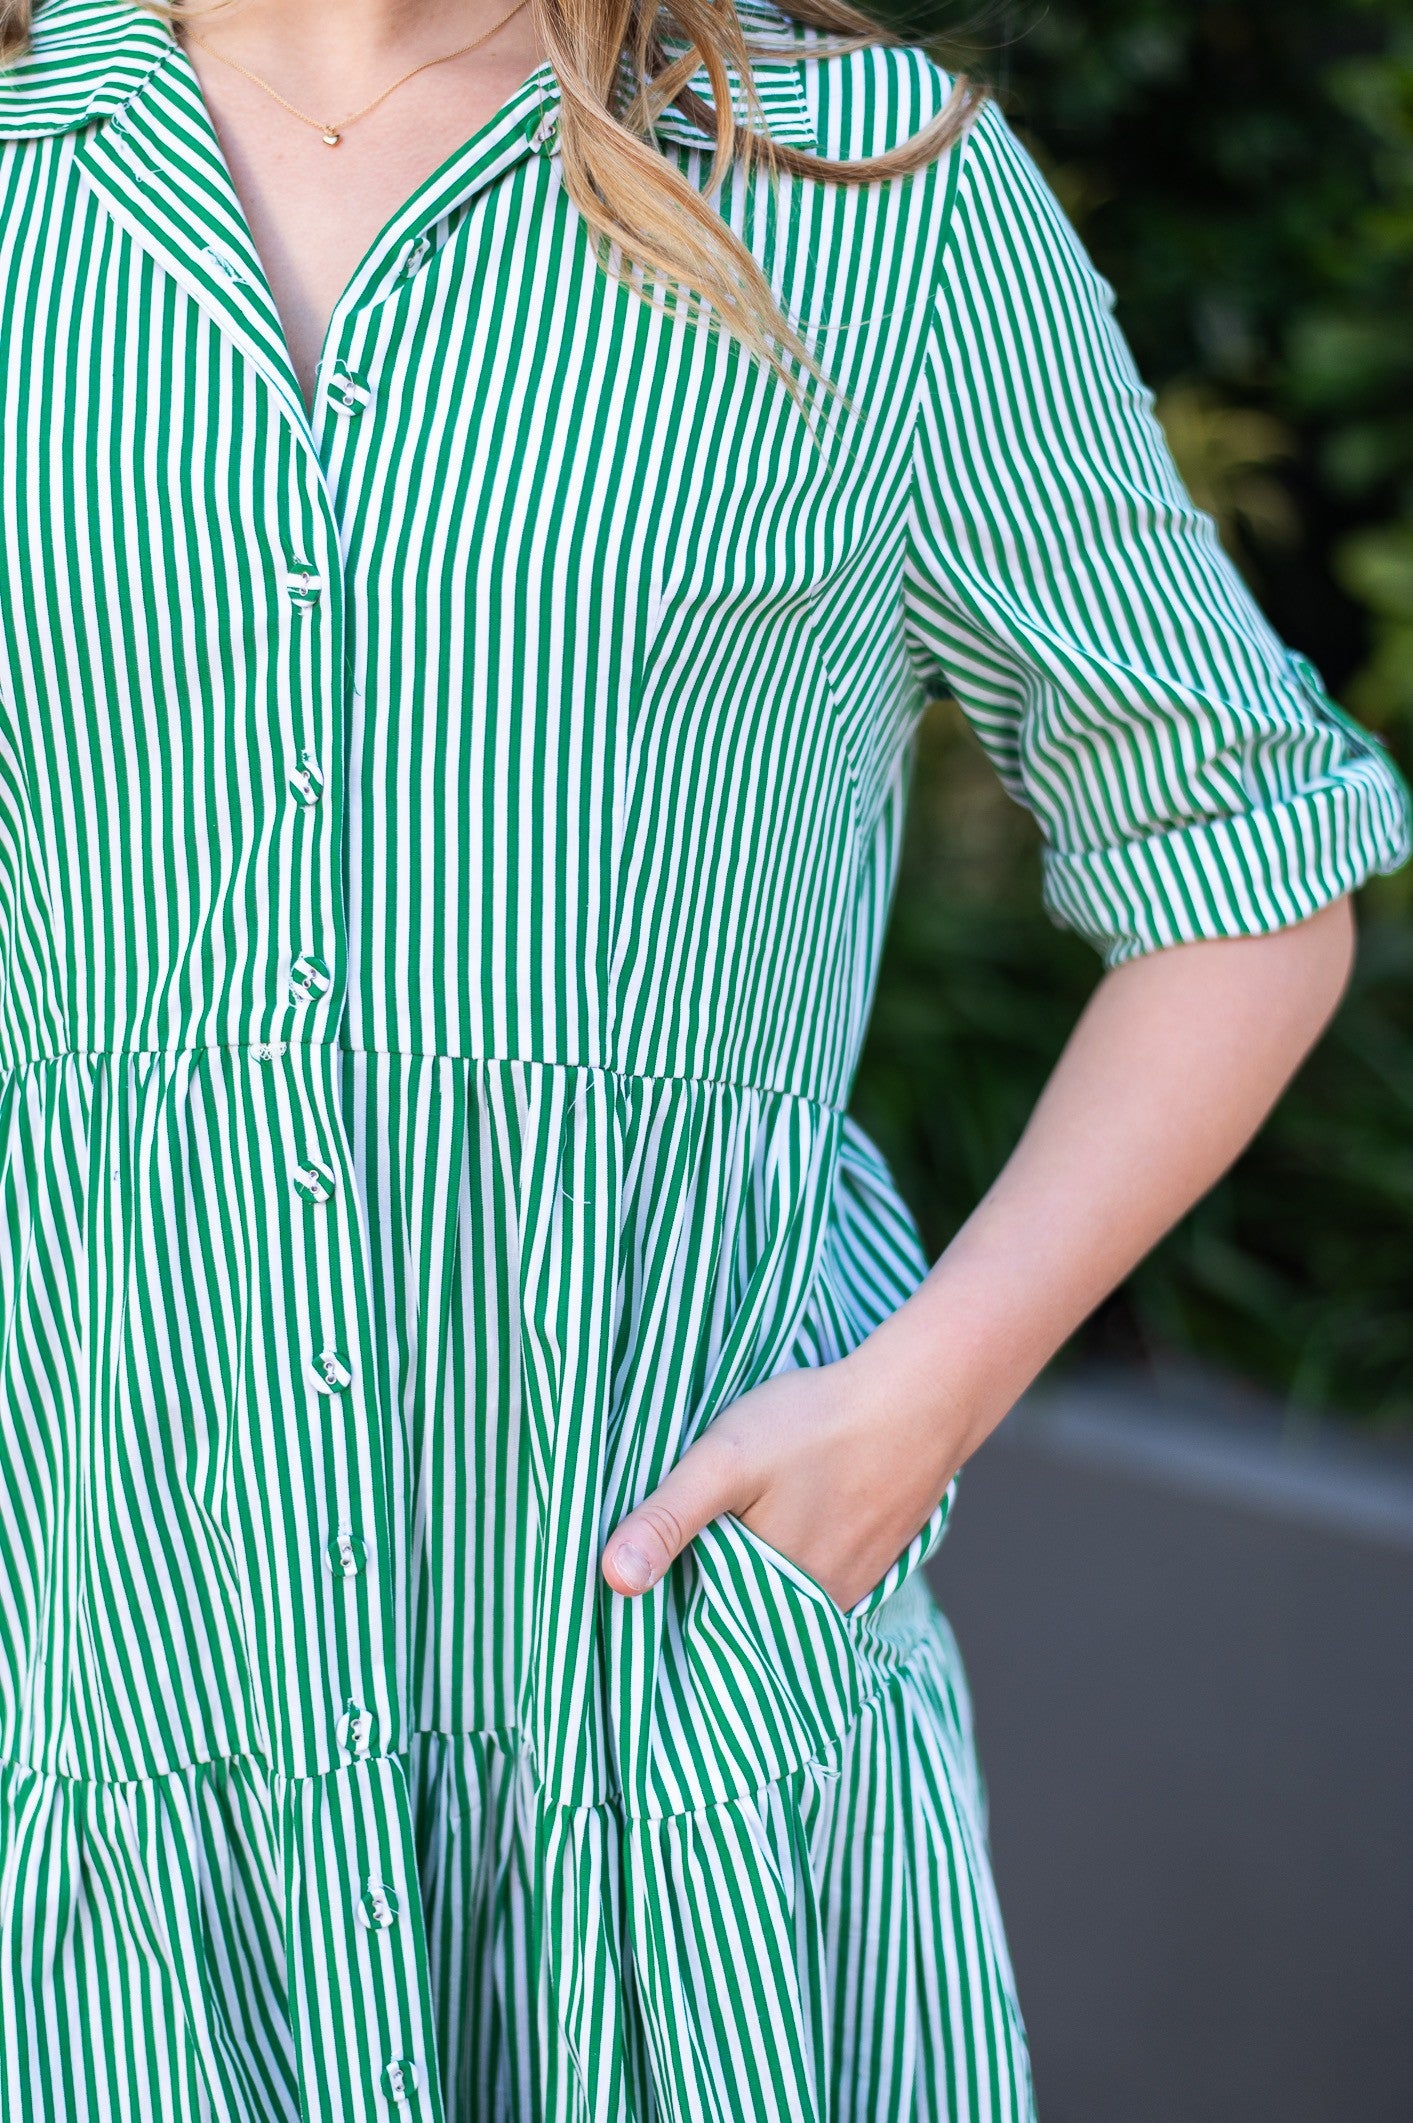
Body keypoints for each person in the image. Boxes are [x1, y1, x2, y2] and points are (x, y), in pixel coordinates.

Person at [0, 0, 1407, 2115]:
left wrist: (918, 1403)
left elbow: (1245, 864)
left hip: (650, 1663)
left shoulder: (871, 202)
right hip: (89, 1631)